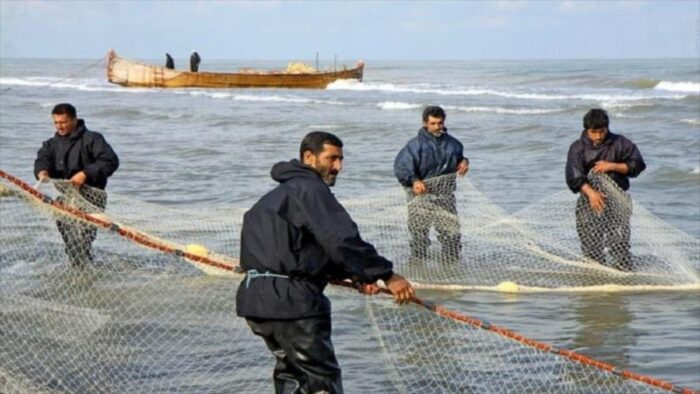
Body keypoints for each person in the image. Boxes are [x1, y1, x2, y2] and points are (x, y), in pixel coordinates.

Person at [236, 131, 415, 394]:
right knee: (321, 380)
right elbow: (341, 240)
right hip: (293, 303)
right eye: (332, 158)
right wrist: (387, 275)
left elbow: (298, 251)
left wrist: (359, 276)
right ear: (308, 157)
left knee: (292, 376)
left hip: (256, 302)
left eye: (341, 159)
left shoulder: (274, 198)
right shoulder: (310, 189)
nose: (338, 167)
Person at [34, 103, 120, 267]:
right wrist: (41, 171)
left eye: (63, 122)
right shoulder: (51, 144)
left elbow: (110, 161)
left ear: (74, 120)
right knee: (69, 239)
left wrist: (85, 173)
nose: (60, 126)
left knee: (83, 238)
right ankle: (79, 270)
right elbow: (42, 159)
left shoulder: (93, 139)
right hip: (65, 197)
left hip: (91, 198)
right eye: (56, 123)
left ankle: (84, 270)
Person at [565, 108, 646, 271]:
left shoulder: (621, 143)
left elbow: (638, 165)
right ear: (587, 130)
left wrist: (612, 165)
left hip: (618, 199)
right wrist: (592, 193)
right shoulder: (577, 147)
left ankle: (622, 281)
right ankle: (593, 283)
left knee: (619, 245)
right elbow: (574, 176)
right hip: (589, 202)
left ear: (607, 128)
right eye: (593, 132)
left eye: (602, 131)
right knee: (591, 246)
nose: (598, 136)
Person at [394, 106, 469, 264]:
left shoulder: (454, 144)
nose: (437, 127)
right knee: (419, 234)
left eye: (440, 123)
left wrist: (464, 162)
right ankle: (418, 265)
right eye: (433, 123)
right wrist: (414, 180)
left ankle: (451, 266)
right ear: (425, 123)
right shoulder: (415, 145)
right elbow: (401, 167)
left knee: (451, 234)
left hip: (445, 195)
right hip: (420, 195)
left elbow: (460, 157)